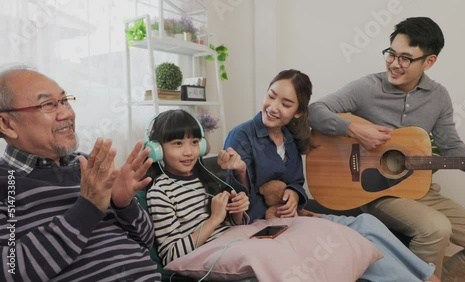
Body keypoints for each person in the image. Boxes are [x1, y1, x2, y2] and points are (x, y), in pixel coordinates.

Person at [308, 17, 465, 282]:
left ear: (429, 61)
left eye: (406, 58)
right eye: (391, 54)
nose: (394, 64)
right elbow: (314, 111)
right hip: (376, 194)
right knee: (436, 229)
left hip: (422, 192)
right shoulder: (367, 87)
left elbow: (453, 149)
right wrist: (354, 130)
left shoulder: (438, 96)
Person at [224, 69, 440, 282]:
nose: (273, 107)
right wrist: (240, 171)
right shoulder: (241, 136)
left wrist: (293, 193)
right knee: (352, 244)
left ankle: (426, 276)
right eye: (271, 96)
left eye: (286, 104)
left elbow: (297, 182)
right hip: (266, 226)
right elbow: (237, 203)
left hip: (295, 217)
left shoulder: (289, 139)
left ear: (298, 112)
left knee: (367, 222)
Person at [0, 67, 160, 281]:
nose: (67, 113)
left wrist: (124, 204)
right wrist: (88, 208)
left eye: (64, 100)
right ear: (6, 124)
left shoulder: (88, 165)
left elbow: (145, 240)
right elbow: (9, 270)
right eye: (47, 104)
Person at [145, 109, 249, 266]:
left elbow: (232, 226)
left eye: (194, 142)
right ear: (157, 150)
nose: (188, 152)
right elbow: (171, 256)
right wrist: (214, 219)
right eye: (178, 143)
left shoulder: (206, 177)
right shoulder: (160, 192)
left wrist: (238, 211)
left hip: (234, 242)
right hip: (212, 257)